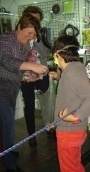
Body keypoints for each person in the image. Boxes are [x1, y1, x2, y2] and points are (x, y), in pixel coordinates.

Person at [0, 13, 47, 172]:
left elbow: (16, 72)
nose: (31, 37)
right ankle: (11, 166)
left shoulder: (20, 46)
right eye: (29, 33)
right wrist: (31, 66)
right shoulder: (6, 39)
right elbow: (6, 60)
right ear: (19, 27)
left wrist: (28, 78)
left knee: (6, 128)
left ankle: (8, 155)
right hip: (1, 91)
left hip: (10, 93)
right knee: (8, 127)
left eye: (33, 35)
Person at [51, 34, 90, 172]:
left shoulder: (72, 73)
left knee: (69, 169)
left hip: (69, 131)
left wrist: (77, 116)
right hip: (72, 130)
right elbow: (73, 83)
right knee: (74, 166)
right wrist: (58, 76)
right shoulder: (74, 68)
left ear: (58, 54)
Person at [20, 6, 51, 148]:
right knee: (29, 105)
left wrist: (38, 39)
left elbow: (46, 53)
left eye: (37, 19)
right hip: (26, 74)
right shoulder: (21, 34)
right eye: (32, 19)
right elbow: (20, 54)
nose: (35, 22)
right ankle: (32, 135)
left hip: (42, 72)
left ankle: (50, 127)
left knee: (47, 101)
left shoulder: (44, 33)